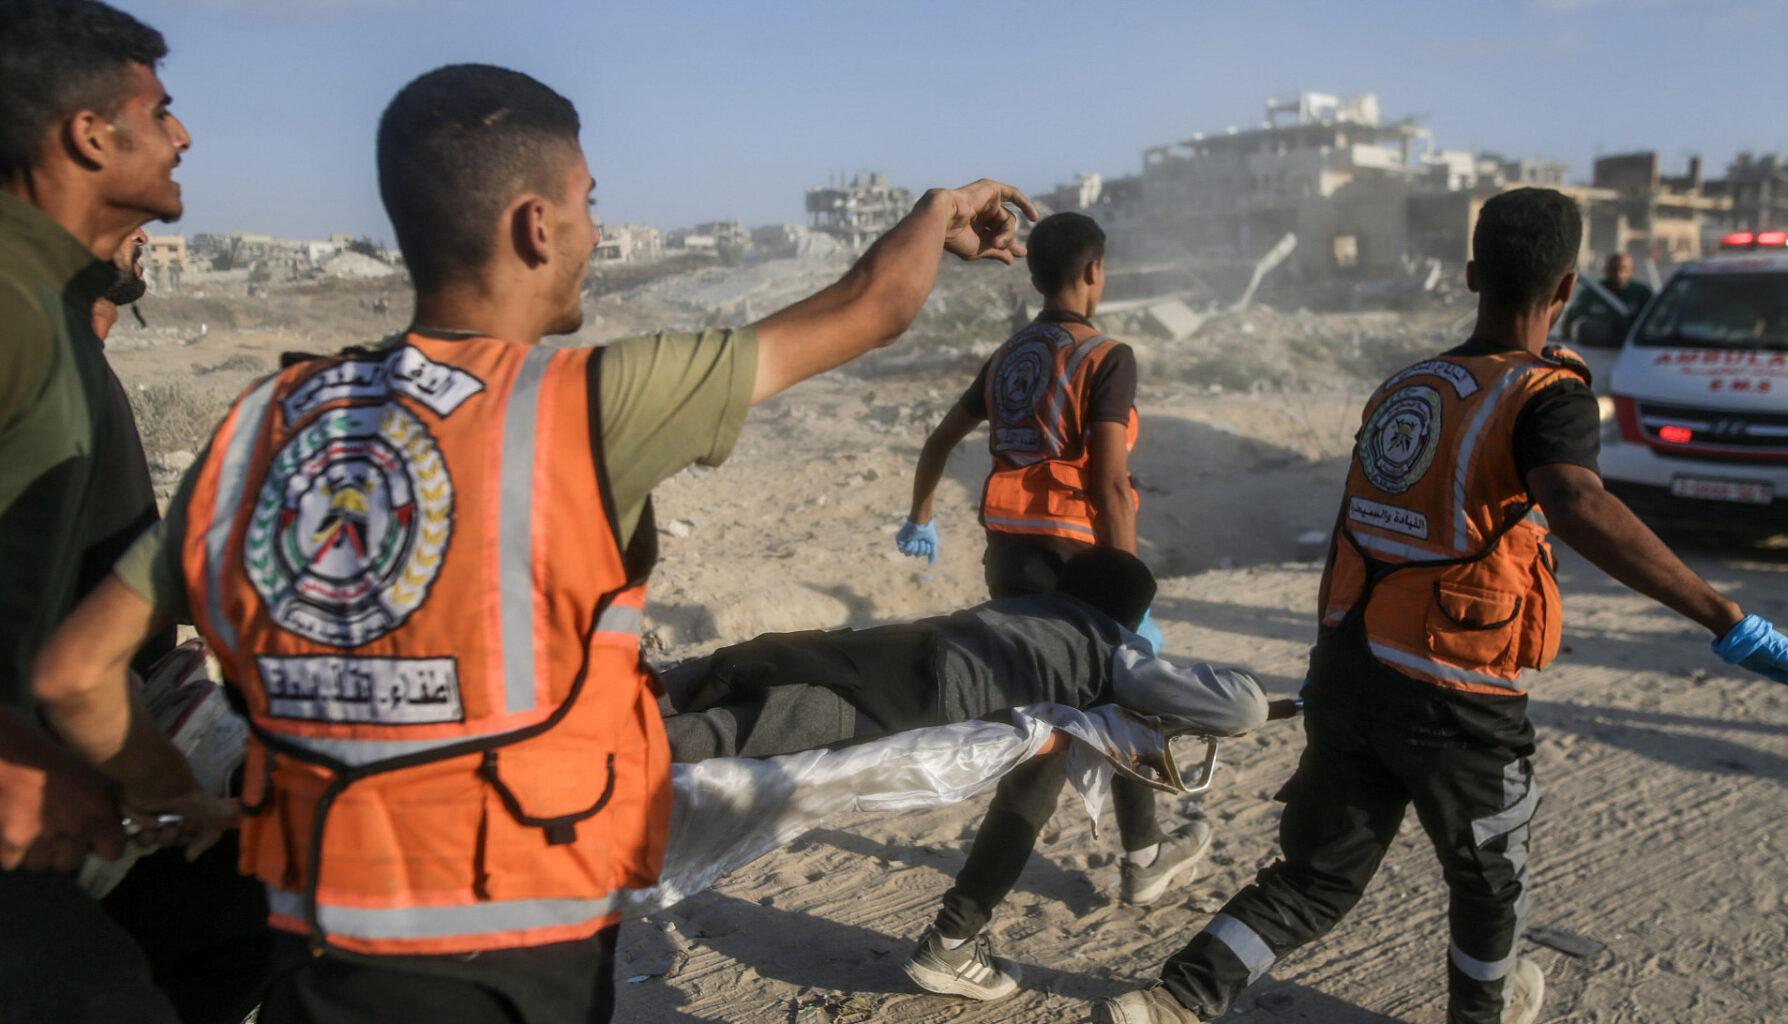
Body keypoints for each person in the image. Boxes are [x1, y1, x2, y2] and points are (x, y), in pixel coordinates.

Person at [28, 62, 1037, 1024]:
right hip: (513, 961)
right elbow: (872, 304)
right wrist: (939, 209)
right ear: (535, 225)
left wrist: (180, 799)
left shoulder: (268, 421)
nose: (598, 231)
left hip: (320, 951)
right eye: (590, 203)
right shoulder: (582, 408)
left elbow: (78, 675)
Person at [1097, 188, 1788, 1024]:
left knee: (1318, 876)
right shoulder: (1549, 394)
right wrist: (1731, 620)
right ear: (1569, 288)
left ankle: (1171, 1000)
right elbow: (1576, 502)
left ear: (1472, 273)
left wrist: (1331, 661)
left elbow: (1353, 525)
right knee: (1489, 881)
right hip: (1456, 693)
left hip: (1353, 668)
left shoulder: (1411, 385)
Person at [893, 211, 1204, 1001]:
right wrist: (1127, 590)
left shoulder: (1011, 357)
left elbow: (940, 440)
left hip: (1012, 564)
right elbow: (1106, 484)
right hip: (1080, 573)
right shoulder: (1106, 357)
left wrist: (921, 516)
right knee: (1053, 743)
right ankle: (953, 936)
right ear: (1094, 271)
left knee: (1113, 702)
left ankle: (1142, 859)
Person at [0, 4, 237, 1022]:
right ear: (90, 135)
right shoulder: (11, 306)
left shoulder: (50, 305)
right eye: (161, 110)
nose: (182, 136)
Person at [657, 548, 1267, 763]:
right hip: (926, 690)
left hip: (902, 640)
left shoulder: (1039, 606)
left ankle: (629, 693)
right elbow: (1244, 710)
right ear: (1128, 619)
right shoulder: (1115, 652)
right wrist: (1143, 655)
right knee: (754, 727)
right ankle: (614, 754)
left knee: (753, 660)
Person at [1559, 252, 1652, 345]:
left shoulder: (1642, 293)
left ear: (1631, 270)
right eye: (1613, 270)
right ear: (1606, 270)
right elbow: (1569, 320)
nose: (1618, 274)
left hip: (1627, 349)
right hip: (1595, 351)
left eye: (1623, 270)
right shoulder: (1593, 291)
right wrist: (1568, 344)